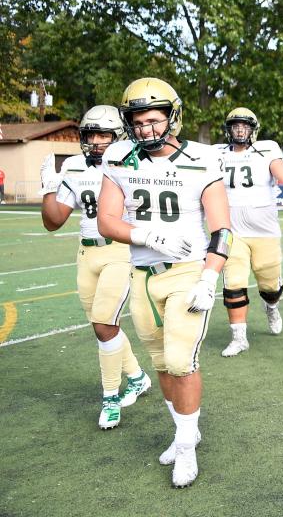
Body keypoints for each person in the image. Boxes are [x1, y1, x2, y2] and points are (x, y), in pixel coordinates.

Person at [98, 78, 231, 488]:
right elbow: (107, 221)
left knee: (179, 360)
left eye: (154, 120)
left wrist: (210, 276)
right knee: (160, 363)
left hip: (187, 270)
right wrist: (147, 235)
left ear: (172, 118)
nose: (146, 130)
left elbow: (222, 229)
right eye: (137, 122)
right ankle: (184, 431)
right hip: (142, 274)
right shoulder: (119, 157)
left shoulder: (203, 158)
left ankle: (188, 449)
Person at [38, 105, 151, 430]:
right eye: (91, 134)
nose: (98, 141)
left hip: (120, 251)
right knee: (105, 327)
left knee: (104, 324)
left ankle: (110, 398)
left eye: (104, 134)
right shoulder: (73, 166)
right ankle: (138, 378)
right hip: (87, 256)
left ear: (118, 136)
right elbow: (54, 221)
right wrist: (48, 188)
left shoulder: (134, 161)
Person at [216, 107, 283, 358]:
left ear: (253, 130)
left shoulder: (266, 150)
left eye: (244, 126)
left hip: (264, 230)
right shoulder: (217, 153)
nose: (240, 130)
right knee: (233, 283)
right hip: (232, 230)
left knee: (269, 285)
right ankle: (239, 337)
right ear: (229, 130)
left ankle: (271, 305)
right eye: (235, 126)